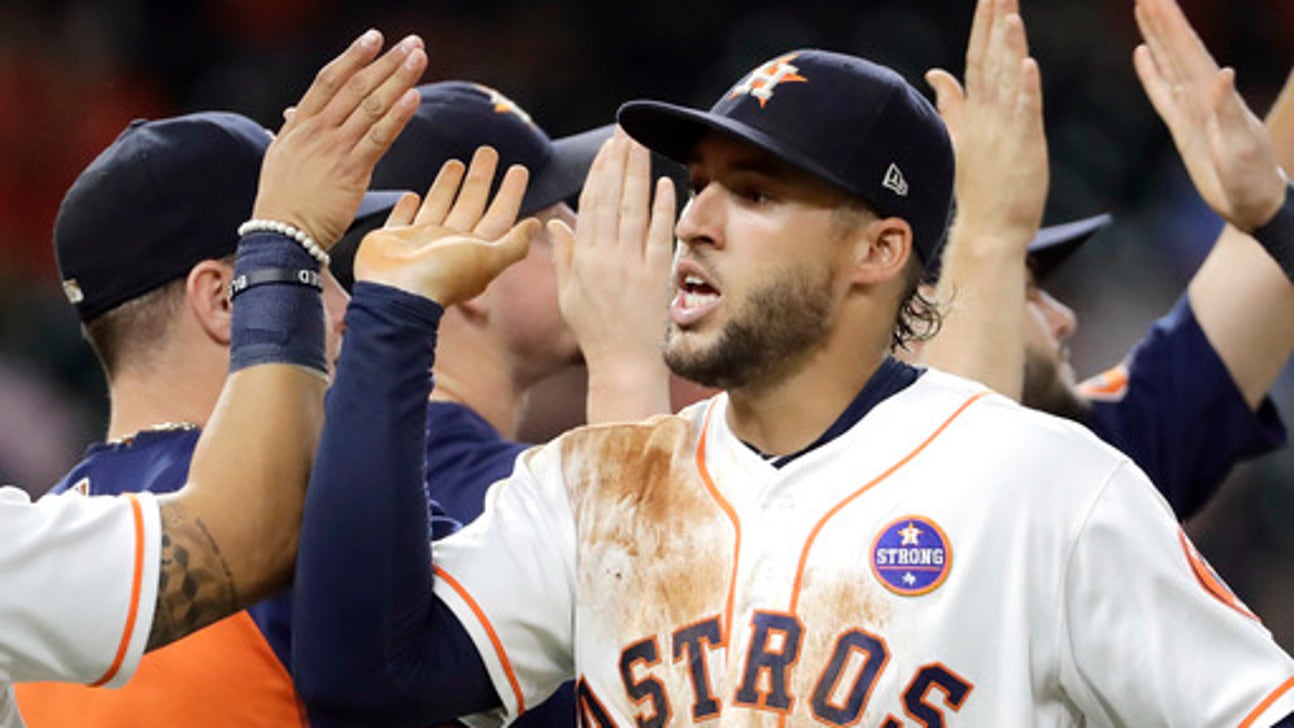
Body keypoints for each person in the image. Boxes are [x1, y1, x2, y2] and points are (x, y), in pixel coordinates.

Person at [292, 11, 1294, 725]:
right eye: (700, 186)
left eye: (758, 193)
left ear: (878, 250)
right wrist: (391, 314)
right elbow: (362, 677)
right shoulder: (593, 483)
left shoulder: (1049, 485)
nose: (696, 220)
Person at [0, 28, 444, 727]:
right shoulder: (328, 512)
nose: (349, 307)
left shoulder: (37, 543)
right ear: (222, 299)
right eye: (318, 270)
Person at [920, 0, 1294, 520]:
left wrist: (1270, 207)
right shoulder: (819, 502)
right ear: (916, 323)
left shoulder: (1098, 466)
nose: (1064, 316)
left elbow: (1258, 262)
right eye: (1021, 287)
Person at [343, 81, 676, 525]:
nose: (586, 246)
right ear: (467, 278)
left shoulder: (393, 455)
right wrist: (629, 364)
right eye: (552, 227)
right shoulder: (458, 485)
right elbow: (642, 568)